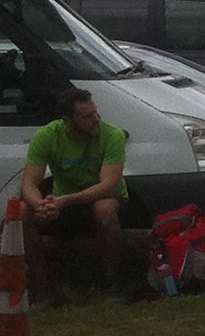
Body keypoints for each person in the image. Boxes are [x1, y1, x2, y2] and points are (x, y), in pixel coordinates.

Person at [19, 90, 129, 291]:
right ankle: (41, 285)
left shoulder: (113, 134)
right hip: (63, 203)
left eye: (96, 112)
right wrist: (40, 205)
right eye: (87, 116)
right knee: (22, 211)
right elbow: (28, 184)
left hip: (100, 199)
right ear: (67, 120)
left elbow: (109, 185)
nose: (96, 119)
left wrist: (66, 200)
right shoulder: (46, 136)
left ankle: (112, 280)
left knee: (104, 208)